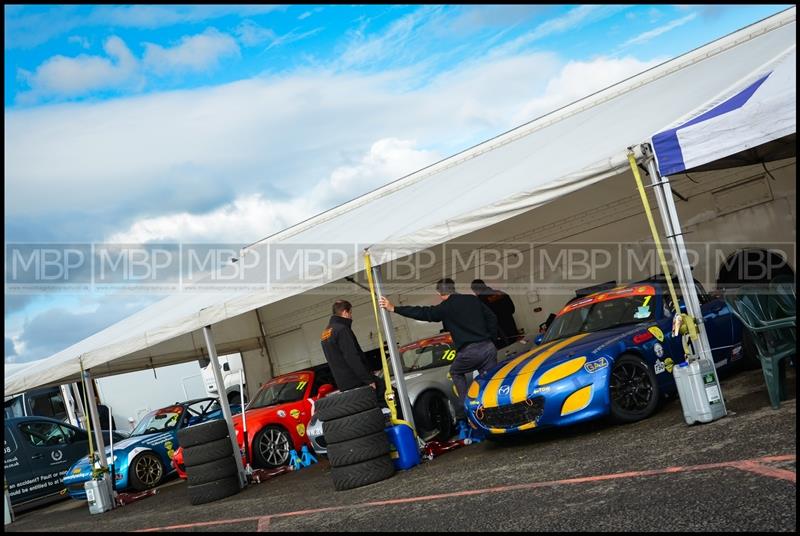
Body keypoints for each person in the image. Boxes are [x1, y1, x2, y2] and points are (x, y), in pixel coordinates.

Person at [379, 278, 498, 415]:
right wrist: (491, 340)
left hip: (469, 352)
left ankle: (468, 406)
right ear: (453, 288)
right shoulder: (472, 299)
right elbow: (492, 318)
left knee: (455, 372)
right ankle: (496, 409)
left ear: (439, 293)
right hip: (488, 347)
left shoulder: (445, 307)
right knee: (491, 379)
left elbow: (423, 313)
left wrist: (394, 308)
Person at [320, 300, 385, 406]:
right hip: (359, 381)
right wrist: (368, 380)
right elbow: (352, 357)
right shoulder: (342, 329)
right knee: (393, 396)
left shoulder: (325, 333)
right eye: (351, 313)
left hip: (345, 385)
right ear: (345, 312)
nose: (351, 316)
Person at [471, 279, 519, 348]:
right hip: (512, 330)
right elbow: (512, 310)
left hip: (498, 335)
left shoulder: (479, 301)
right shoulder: (501, 293)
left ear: (476, 290)